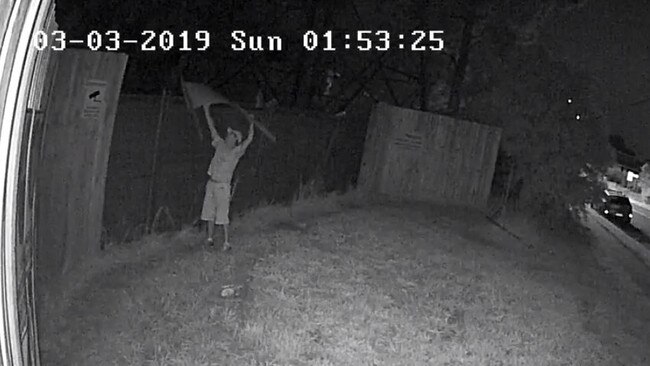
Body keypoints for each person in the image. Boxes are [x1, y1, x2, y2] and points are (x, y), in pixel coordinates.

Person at [200, 104, 254, 250]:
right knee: (208, 212)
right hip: (211, 182)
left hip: (223, 186)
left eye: (231, 135)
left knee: (223, 215)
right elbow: (211, 127)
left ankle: (226, 242)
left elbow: (249, 140)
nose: (228, 135)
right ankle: (210, 239)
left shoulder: (236, 152)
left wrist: (251, 124)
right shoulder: (219, 144)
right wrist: (206, 110)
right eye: (229, 134)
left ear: (235, 139)